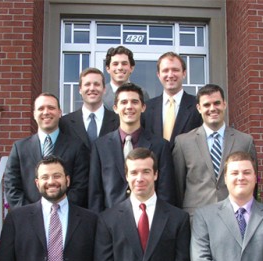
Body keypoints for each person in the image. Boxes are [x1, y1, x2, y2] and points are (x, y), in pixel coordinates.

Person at [94, 148, 192, 261]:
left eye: (146, 172)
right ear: (126, 176)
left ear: (156, 174)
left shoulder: (178, 219)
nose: (139, 178)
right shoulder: (108, 220)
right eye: (134, 173)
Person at [0, 156, 97, 261]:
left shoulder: (90, 220)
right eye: (45, 177)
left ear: (67, 180)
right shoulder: (16, 219)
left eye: (57, 176)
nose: (51, 181)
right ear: (37, 183)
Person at [88, 83, 176, 213]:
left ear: (143, 107)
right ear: (115, 108)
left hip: (148, 220)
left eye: (135, 102)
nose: (129, 106)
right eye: (124, 102)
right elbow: (95, 193)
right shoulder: (100, 146)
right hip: (111, 222)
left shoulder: (160, 146)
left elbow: (166, 192)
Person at [173, 84, 257, 216]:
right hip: (196, 217)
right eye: (206, 105)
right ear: (199, 108)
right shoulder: (183, 142)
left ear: (224, 104)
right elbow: (178, 186)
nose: (212, 109)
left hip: (236, 216)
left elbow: (252, 183)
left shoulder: (245, 141)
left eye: (217, 103)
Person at [4, 92, 89, 209]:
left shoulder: (77, 146)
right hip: (29, 219)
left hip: (65, 217)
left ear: (60, 113)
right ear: (34, 114)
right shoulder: (19, 148)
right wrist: (32, 213)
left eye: (51, 108)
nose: (46, 112)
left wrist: (59, 210)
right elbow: (11, 186)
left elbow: (80, 186)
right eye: (41, 108)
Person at [142, 52, 202, 149]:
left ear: (184, 73)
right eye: (165, 70)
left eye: (175, 70)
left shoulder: (198, 106)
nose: (170, 75)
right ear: (158, 74)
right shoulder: (147, 108)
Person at [59, 67, 119, 151]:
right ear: (80, 89)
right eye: (87, 84)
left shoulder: (118, 121)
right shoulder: (65, 123)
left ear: (104, 89)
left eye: (97, 84)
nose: (92, 88)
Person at [103, 45, 149, 110]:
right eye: (115, 64)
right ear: (108, 68)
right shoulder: (101, 94)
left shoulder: (142, 93)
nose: (120, 68)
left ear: (131, 68)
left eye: (124, 64)